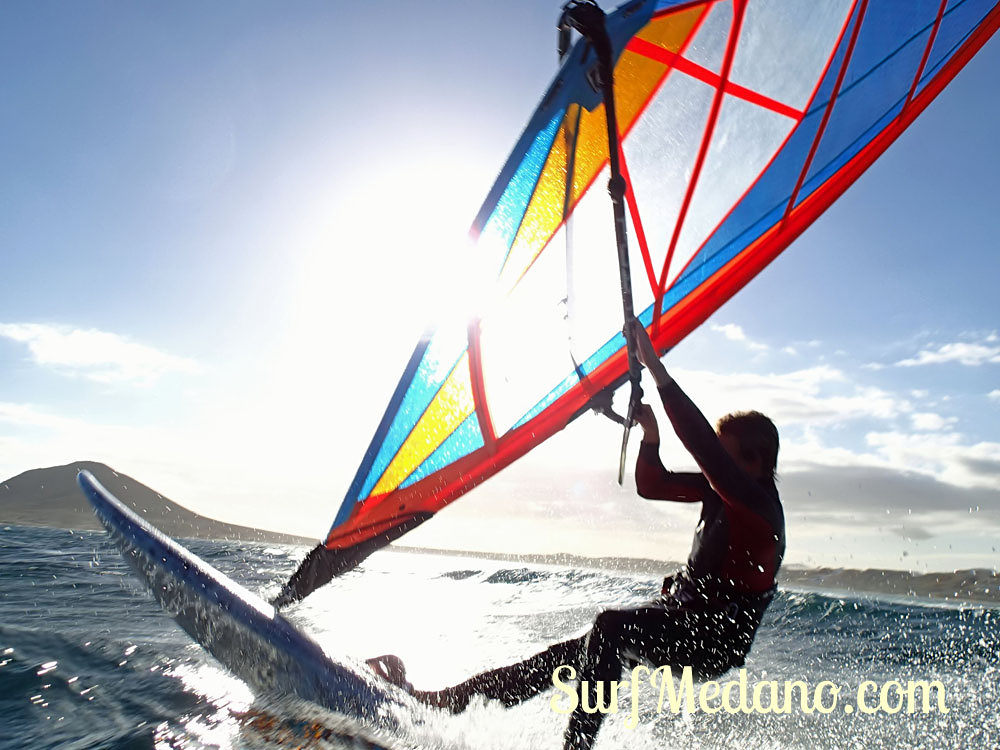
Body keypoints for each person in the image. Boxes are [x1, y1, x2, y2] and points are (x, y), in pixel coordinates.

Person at [367, 318, 785, 749]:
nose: (711, 462)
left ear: (754, 462)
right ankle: (437, 704)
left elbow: (703, 447)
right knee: (570, 655)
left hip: (712, 639)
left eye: (724, 453)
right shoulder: (721, 491)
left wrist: (656, 369)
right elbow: (653, 484)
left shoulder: (759, 510)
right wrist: (651, 437)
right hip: (683, 619)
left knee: (609, 630)